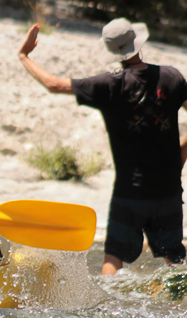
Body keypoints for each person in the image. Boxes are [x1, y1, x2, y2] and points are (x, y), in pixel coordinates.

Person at [17, 18, 187, 275]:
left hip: (130, 192)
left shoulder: (109, 85)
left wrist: (23, 56)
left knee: (113, 259)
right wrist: (179, 155)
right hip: (169, 190)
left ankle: (106, 311)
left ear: (112, 51)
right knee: (177, 263)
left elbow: (53, 84)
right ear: (137, 43)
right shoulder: (172, 77)